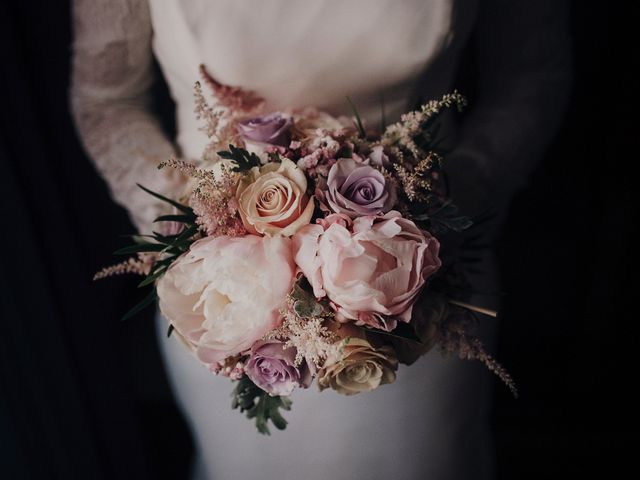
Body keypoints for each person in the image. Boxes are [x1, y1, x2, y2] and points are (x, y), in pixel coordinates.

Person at [70, 1, 571, 479]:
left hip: (423, 284)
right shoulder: (210, 267)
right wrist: (194, 227)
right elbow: (107, 101)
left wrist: (451, 201)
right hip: (220, 298)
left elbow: (530, 77)